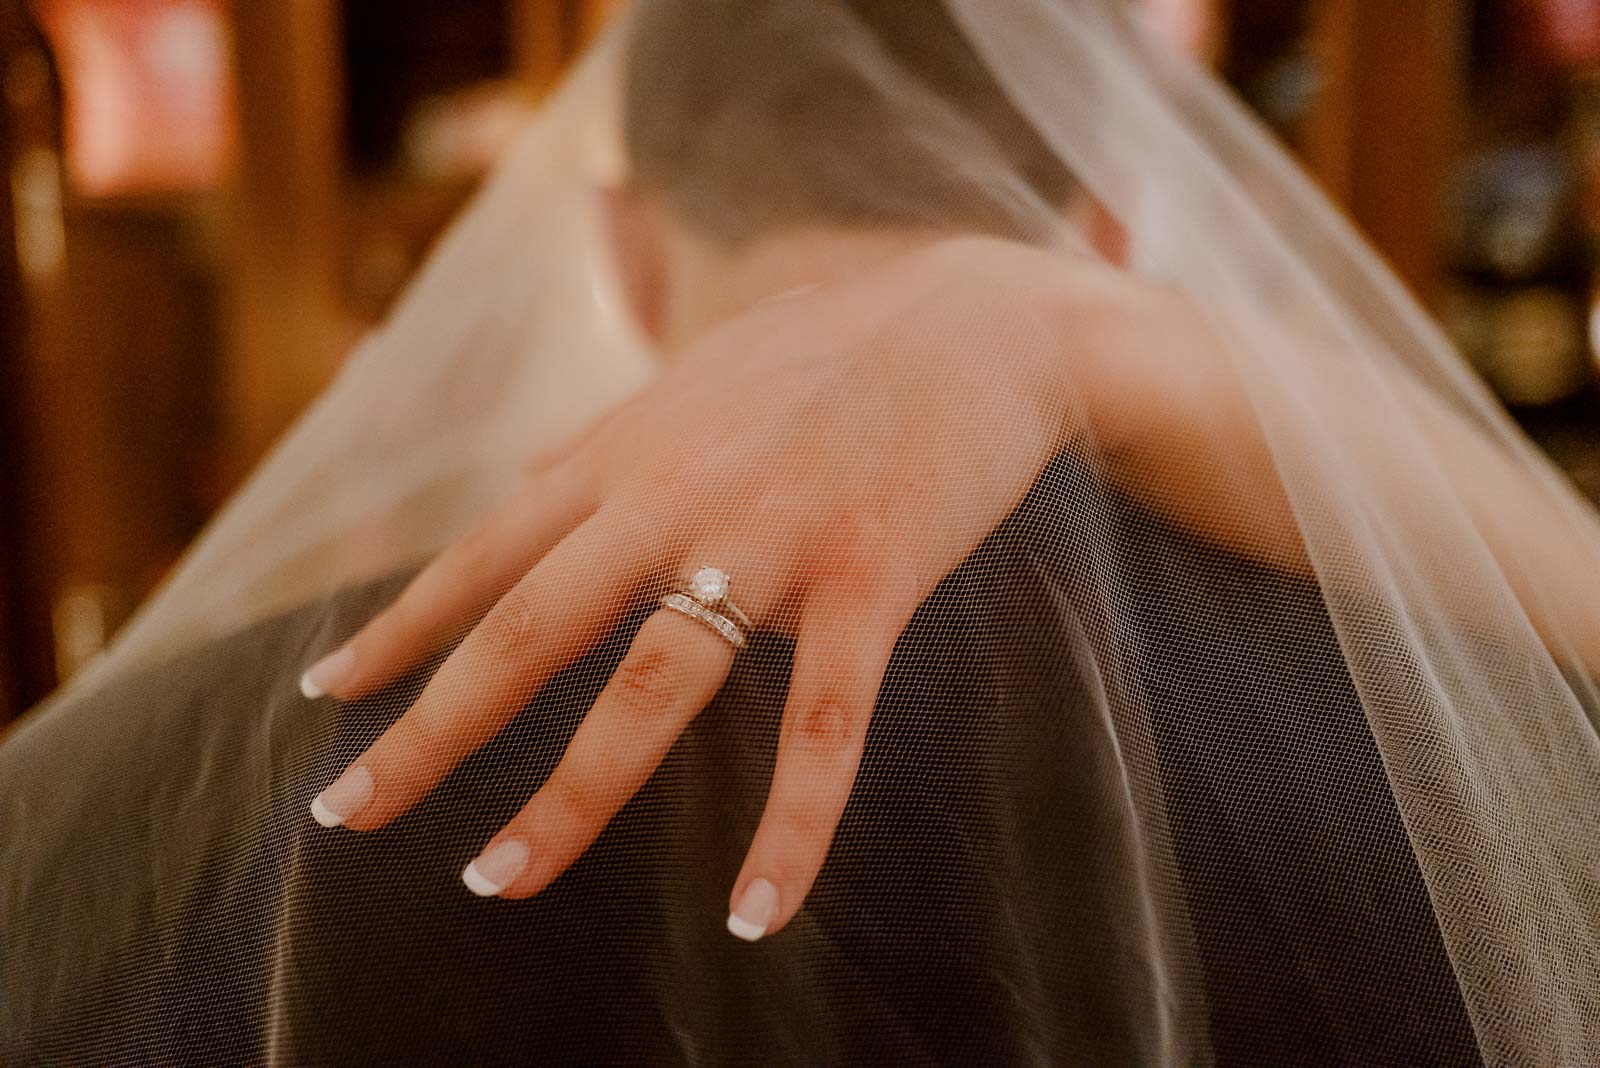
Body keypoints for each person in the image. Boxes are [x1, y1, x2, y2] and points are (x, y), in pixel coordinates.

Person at [3, 1, 1597, 1064]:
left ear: (622, 248)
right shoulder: (1496, 733)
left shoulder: (151, 787)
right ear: (1110, 231)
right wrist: (1108, 344)